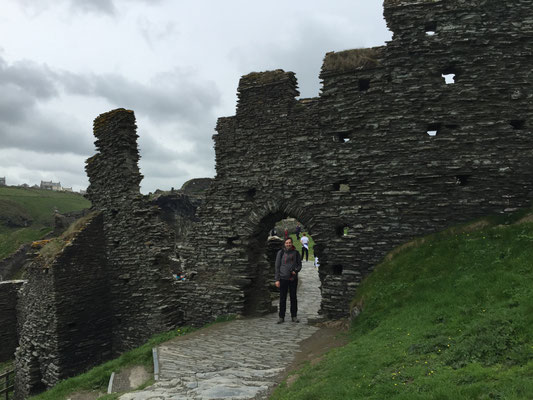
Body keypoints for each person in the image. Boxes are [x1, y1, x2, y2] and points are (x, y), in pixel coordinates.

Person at [274, 237, 302, 323]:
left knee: (293, 297)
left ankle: (294, 316)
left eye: (290, 243)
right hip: (283, 278)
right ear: (284, 244)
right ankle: (281, 316)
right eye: (287, 243)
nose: (288, 244)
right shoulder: (281, 253)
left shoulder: (296, 253)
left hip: (293, 278)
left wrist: (296, 271)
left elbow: (299, 265)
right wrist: (277, 279)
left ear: (292, 243)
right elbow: (277, 266)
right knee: (282, 298)